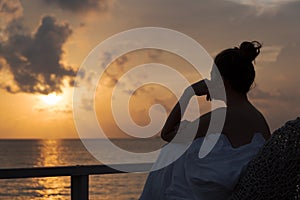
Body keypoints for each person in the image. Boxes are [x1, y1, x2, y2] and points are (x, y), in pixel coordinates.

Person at [139, 41, 271, 200]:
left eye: (212, 77)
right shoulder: (259, 120)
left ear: (222, 81)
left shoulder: (221, 118)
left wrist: (189, 93)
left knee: (174, 148)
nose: (209, 81)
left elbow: (167, 134)